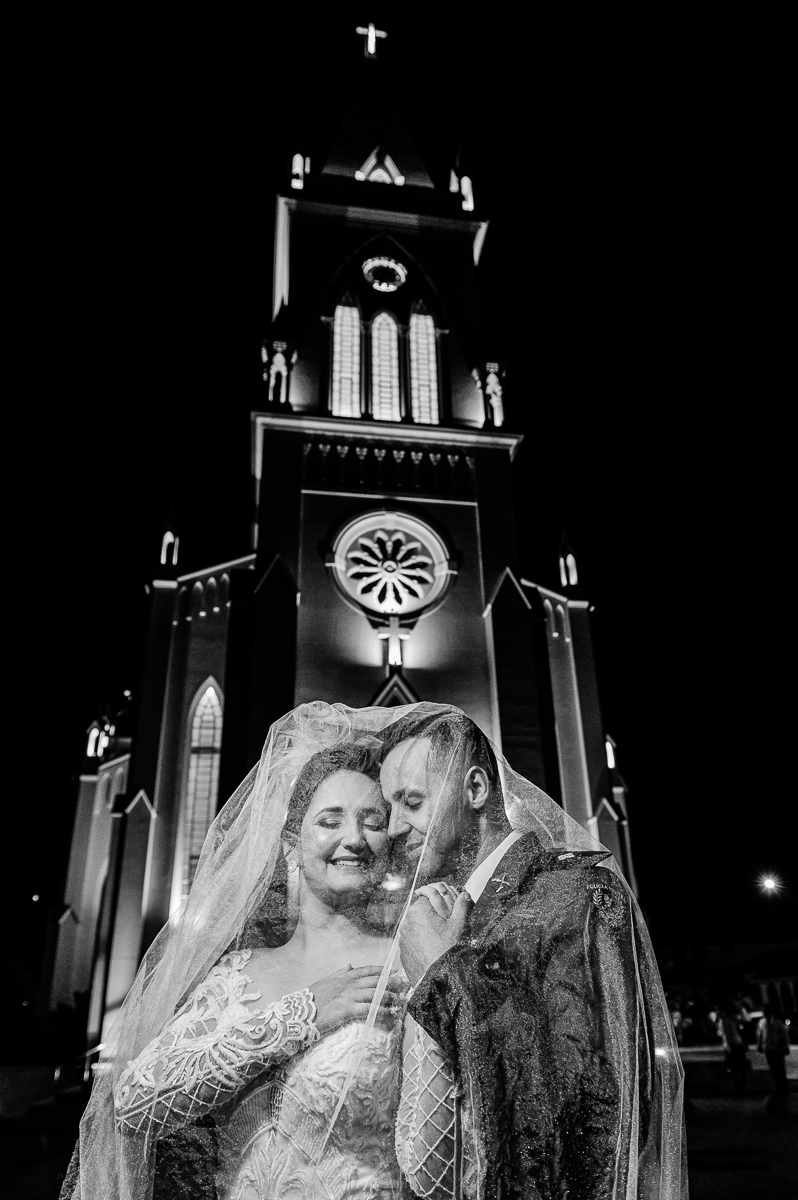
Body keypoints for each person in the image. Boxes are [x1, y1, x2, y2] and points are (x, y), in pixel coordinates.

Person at [61, 713, 426, 1200]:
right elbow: (133, 1103)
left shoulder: (408, 962)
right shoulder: (241, 973)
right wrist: (303, 1014)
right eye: (329, 820)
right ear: (291, 845)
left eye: (373, 822)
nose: (354, 839)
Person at [379, 706, 687, 1200]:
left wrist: (442, 975)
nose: (394, 828)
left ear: (475, 790)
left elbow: (594, 1112)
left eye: (411, 802)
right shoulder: (446, 913)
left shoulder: (579, 894)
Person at [757, 1004, 790, 1096]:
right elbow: (760, 1034)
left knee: (780, 1068)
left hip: (777, 1047)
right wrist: (759, 1045)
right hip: (768, 1048)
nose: (763, 1012)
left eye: (765, 1011)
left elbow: (784, 1035)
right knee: (773, 1068)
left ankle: (783, 1086)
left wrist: (785, 1047)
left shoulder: (777, 1022)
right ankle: (779, 1085)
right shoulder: (762, 1022)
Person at [717, 1004, 749, 1095]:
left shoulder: (731, 1021)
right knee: (736, 1067)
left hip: (736, 1044)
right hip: (734, 1045)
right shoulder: (726, 1022)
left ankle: (741, 1085)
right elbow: (726, 1035)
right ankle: (739, 1085)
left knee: (739, 1066)